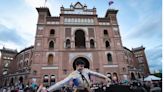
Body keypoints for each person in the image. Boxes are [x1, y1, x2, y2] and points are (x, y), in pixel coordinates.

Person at [47, 59, 111, 92]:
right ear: (76, 66)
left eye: (83, 66)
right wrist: (49, 90)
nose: (82, 67)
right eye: (81, 66)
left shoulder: (86, 70)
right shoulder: (73, 74)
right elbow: (62, 83)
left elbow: (96, 74)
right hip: (78, 90)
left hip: (88, 89)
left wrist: (105, 77)